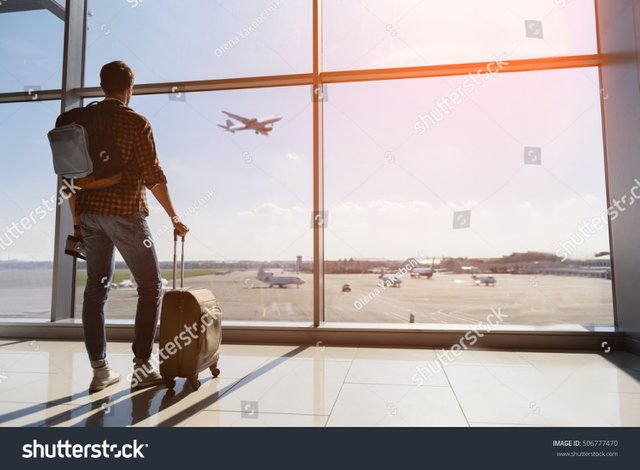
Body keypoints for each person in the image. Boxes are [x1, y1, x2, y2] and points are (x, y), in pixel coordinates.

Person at [68, 61, 189, 392]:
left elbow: (68, 177)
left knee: (96, 289)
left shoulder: (83, 121)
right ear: (129, 89)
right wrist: (174, 216)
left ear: (102, 86)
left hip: (90, 215)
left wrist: (77, 221)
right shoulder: (136, 122)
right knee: (150, 286)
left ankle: (99, 370)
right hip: (125, 213)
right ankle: (141, 366)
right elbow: (153, 174)